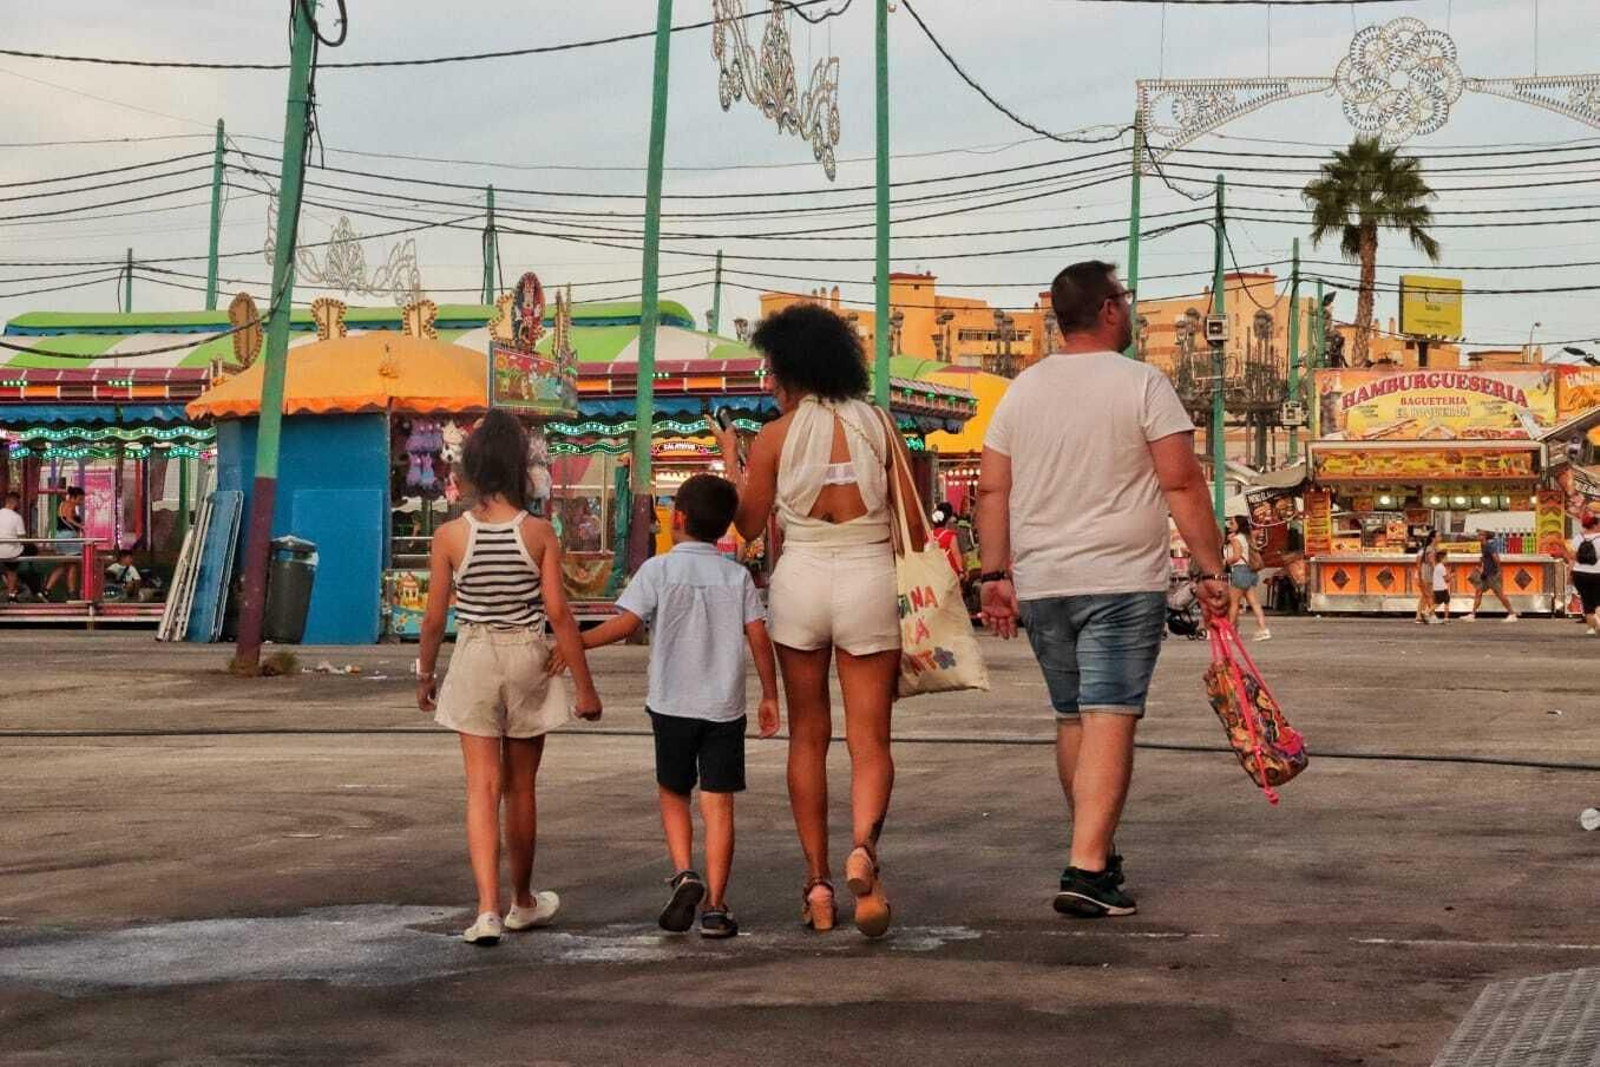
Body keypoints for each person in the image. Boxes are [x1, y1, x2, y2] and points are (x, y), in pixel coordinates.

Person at [976, 260, 1229, 919]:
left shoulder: (1020, 391)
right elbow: (1180, 483)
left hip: (1043, 581)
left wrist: (994, 574)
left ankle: (1098, 850)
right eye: (1126, 298)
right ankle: (1086, 867)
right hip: (1119, 578)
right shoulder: (1144, 384)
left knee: (1072, 716)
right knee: (1110, 711)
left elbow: (993, 489)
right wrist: (1211, 568)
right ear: (1108, 309)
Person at [709, 302, 924, 939]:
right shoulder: (878, 426)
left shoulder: (775, 435)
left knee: (808, 737)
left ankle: (819, 884)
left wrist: (732, 458)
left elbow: (747, 527)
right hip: (868, 579)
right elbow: (911, 523)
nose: (769, 381)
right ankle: (865, 854)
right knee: (870, 741)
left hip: (801, 581)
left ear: (794, 367)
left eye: (773, 369)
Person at [551, 474, 781, 938]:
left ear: (676, 519)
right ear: (724, 528)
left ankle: (684, 872)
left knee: (674, 792)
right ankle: (716, 906)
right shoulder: (736, 577)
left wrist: (576, 643)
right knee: (718, 805)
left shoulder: (657, 570)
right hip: (724, 708)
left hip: (671, 704)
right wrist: (770, 695)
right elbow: (759, 636)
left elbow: (625, 626)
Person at [415, 409, 603, 947]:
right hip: (528, 657)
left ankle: (487, 911)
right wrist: (586, 689)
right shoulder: (539, 532)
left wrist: (425, 675)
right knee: (522, 788)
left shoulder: (450, 536)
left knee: (481, 788)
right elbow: (560, 614)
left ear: (470, 468)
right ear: (521, 468)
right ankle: (523, 901)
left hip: (474, 654)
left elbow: (433, 619)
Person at [1224, 515, 1271, 640]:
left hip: (1240, 571)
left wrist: (1226, 561)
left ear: (1239, 525)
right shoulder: (1247, 537)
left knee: (1233, 604)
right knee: (1254, 603)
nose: (1230, 525)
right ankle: (1263, 629)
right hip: (1250, 571)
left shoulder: (1236, 539)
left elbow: (1237, 556)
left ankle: (1229, 631)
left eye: (1232, 522)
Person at [1466, 530, 1519, 621]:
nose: (1478, 536)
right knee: (1478, 591)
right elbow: (1487, 558)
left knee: (1500, 594)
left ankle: (1512, 614)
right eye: (1478, 535)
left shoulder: (1489, 546)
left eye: (1480, 535)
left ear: (1485, 537)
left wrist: (1497, 571)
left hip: (1492, 574)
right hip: (1486, 574)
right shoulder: (1483, 546)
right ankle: (1472, 615)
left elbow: (1496, 558)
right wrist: (1482, 564)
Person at [43, 486, 83, 601]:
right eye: (79, 499)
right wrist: (82, 526)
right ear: (73, 497)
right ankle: (71, 593)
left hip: (61, 537)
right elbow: (69, 519)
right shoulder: (69, 505)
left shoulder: (64, 504)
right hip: (68, 537)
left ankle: (47, 590)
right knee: (73, 564)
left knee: (64, 565)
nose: (81, 502)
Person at [1565, 513, 1600, 636]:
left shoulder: (1577, 538)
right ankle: (1598, 621)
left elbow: (1572, 559)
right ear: (1595, 524)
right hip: (1598, 573)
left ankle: (1591, 628)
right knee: (1598, 601)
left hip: (1579, 574)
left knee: (1587, 601)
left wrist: (1569, 575)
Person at [0, 490, 26, 602]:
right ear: (15, 503)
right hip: (11, 552)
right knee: (12, 569)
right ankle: (11, 595)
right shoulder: (17, 517)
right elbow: (22, 538)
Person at [931, 501, 964, 579]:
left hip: (933, 572)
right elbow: (956, 554)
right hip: (949, 573)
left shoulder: (929, 535)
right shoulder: (951, 535)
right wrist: (961, 571)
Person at [1414, 530, 1439, 624]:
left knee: (1425, 595)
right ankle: (1430, 614)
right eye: (1438, 536)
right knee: (1428, 595)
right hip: (1425, 574)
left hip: (1426, 574)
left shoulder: (1430, 548)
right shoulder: (1427, 549)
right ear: (1433, 538)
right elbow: (1419, 563)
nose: (1440, 538)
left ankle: (1420, 615)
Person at [1432, 549, 1452, 623]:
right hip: (1442, 588)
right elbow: (1446, 579)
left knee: (1437, 603)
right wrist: (1452, 576)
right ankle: (1446, 618)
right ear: (1441, 559)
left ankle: (1427, 612)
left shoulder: (1437, 566)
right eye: (1446, 558)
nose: (1447, 560)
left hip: (1436, 588)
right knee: (1446, 602)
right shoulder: (1442, 567)